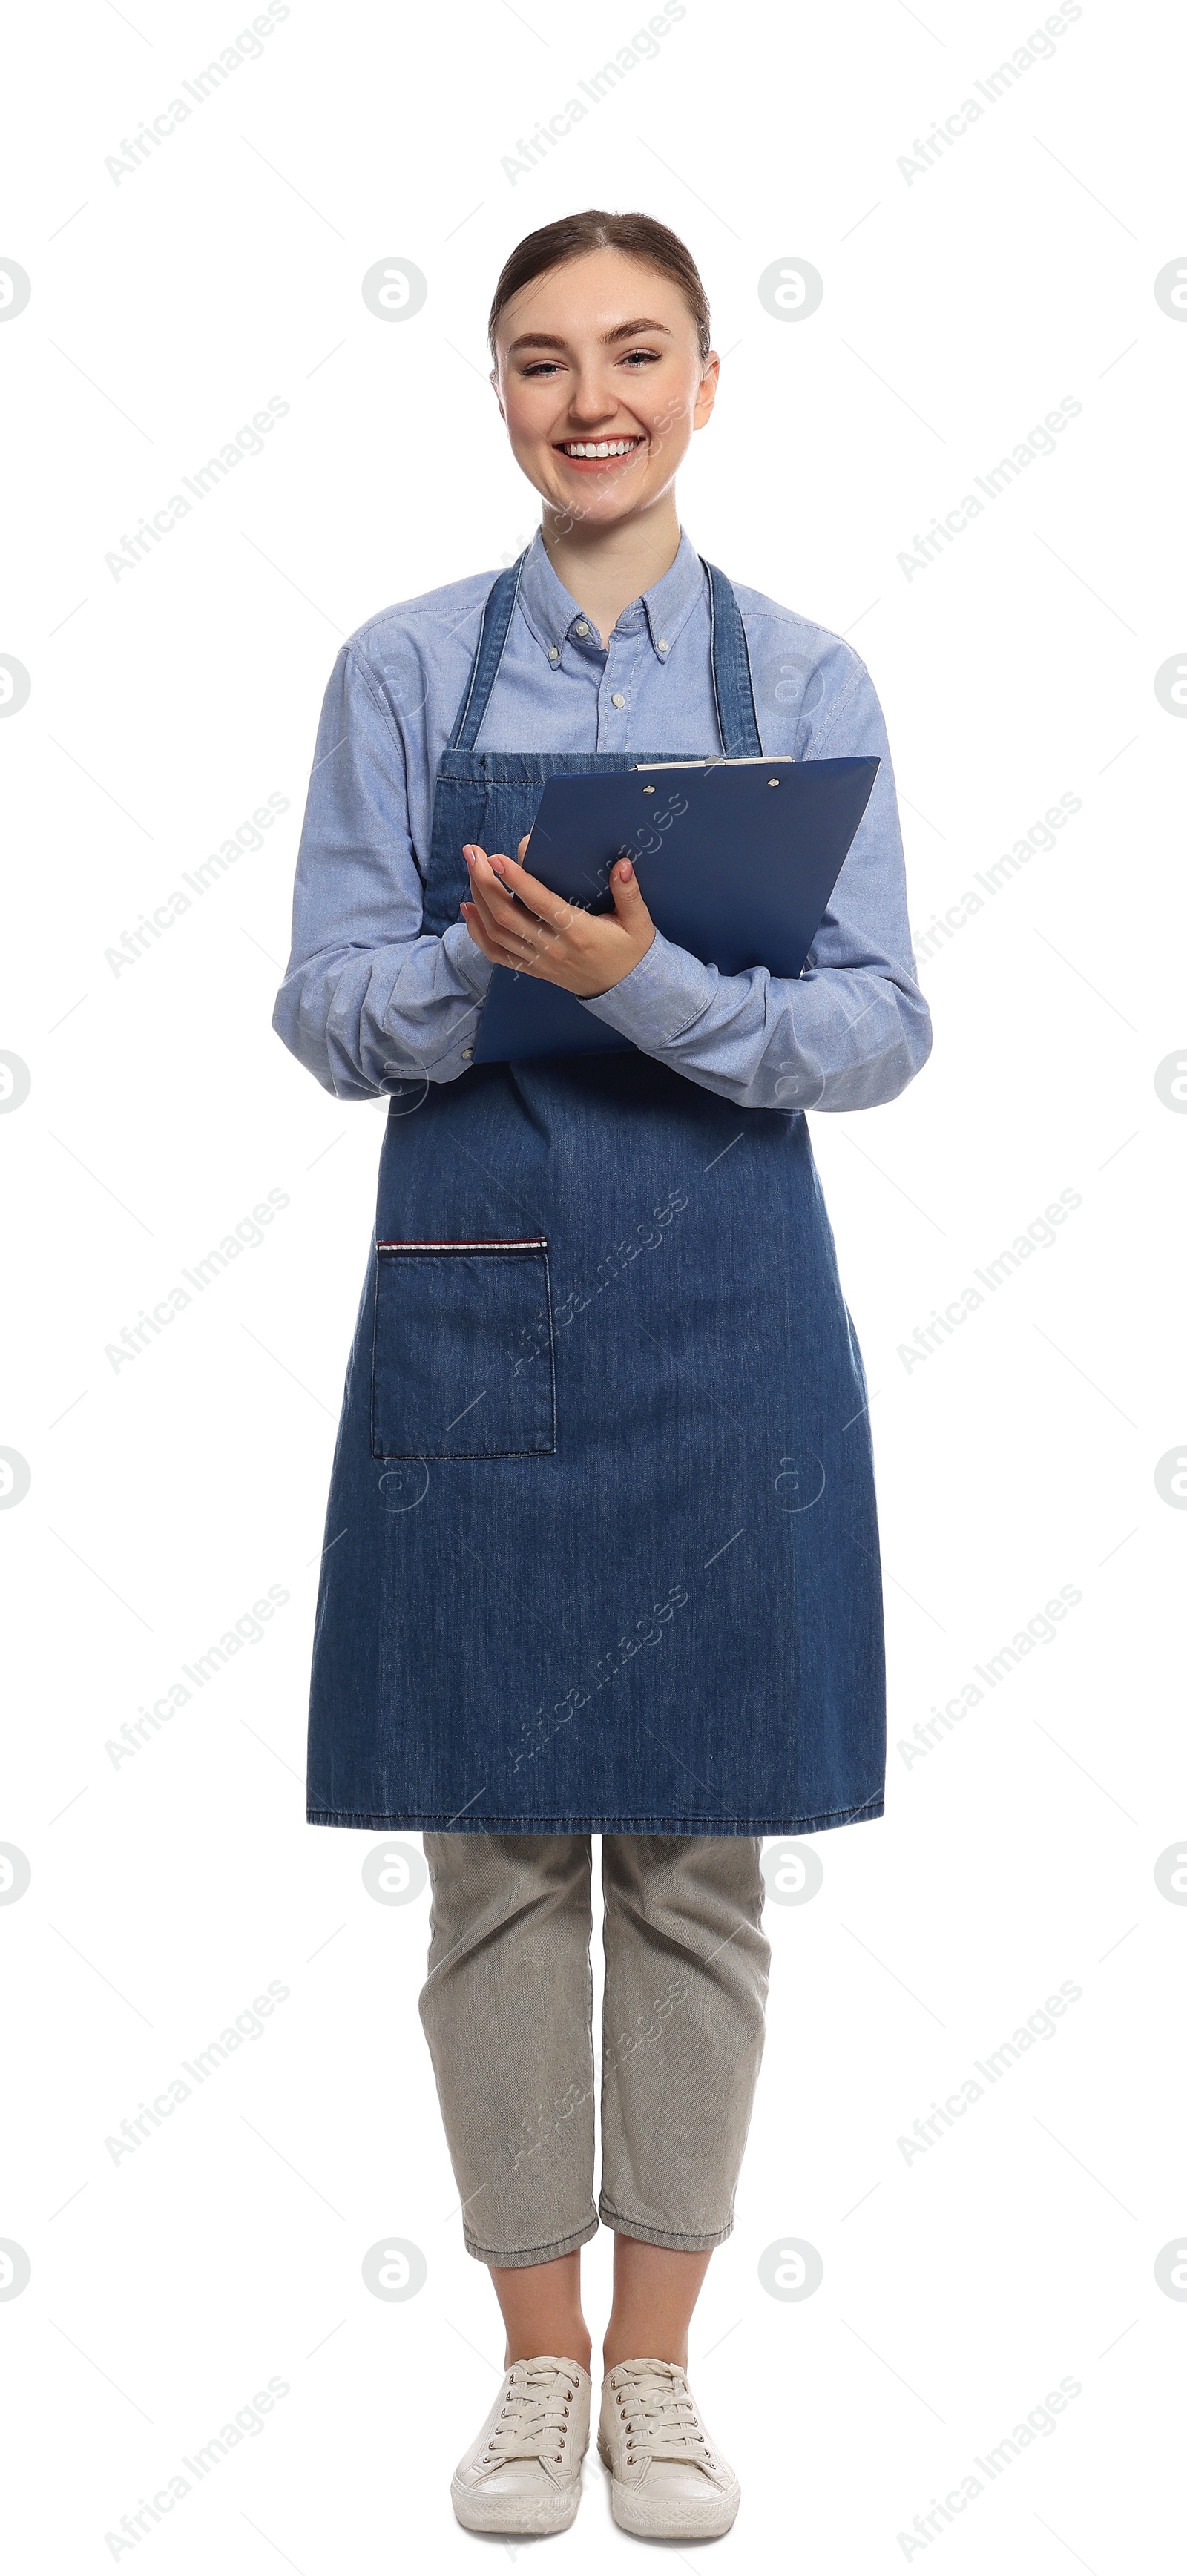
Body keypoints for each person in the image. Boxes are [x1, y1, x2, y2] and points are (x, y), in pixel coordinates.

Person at [273, 208, 931, 2540]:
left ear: (708, 383)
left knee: (694, 1857)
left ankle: (661, 2368)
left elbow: (879, 1029)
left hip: (728, 1311)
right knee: (487, 1863)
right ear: (498, 395)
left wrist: (648, 988)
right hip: (472, 1290)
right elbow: (322, 1009)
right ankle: (531, 2362)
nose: (591, 397)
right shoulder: (394, 674)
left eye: (635, 353)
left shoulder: (809, 679)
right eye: (543, 359)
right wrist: (482, 963)